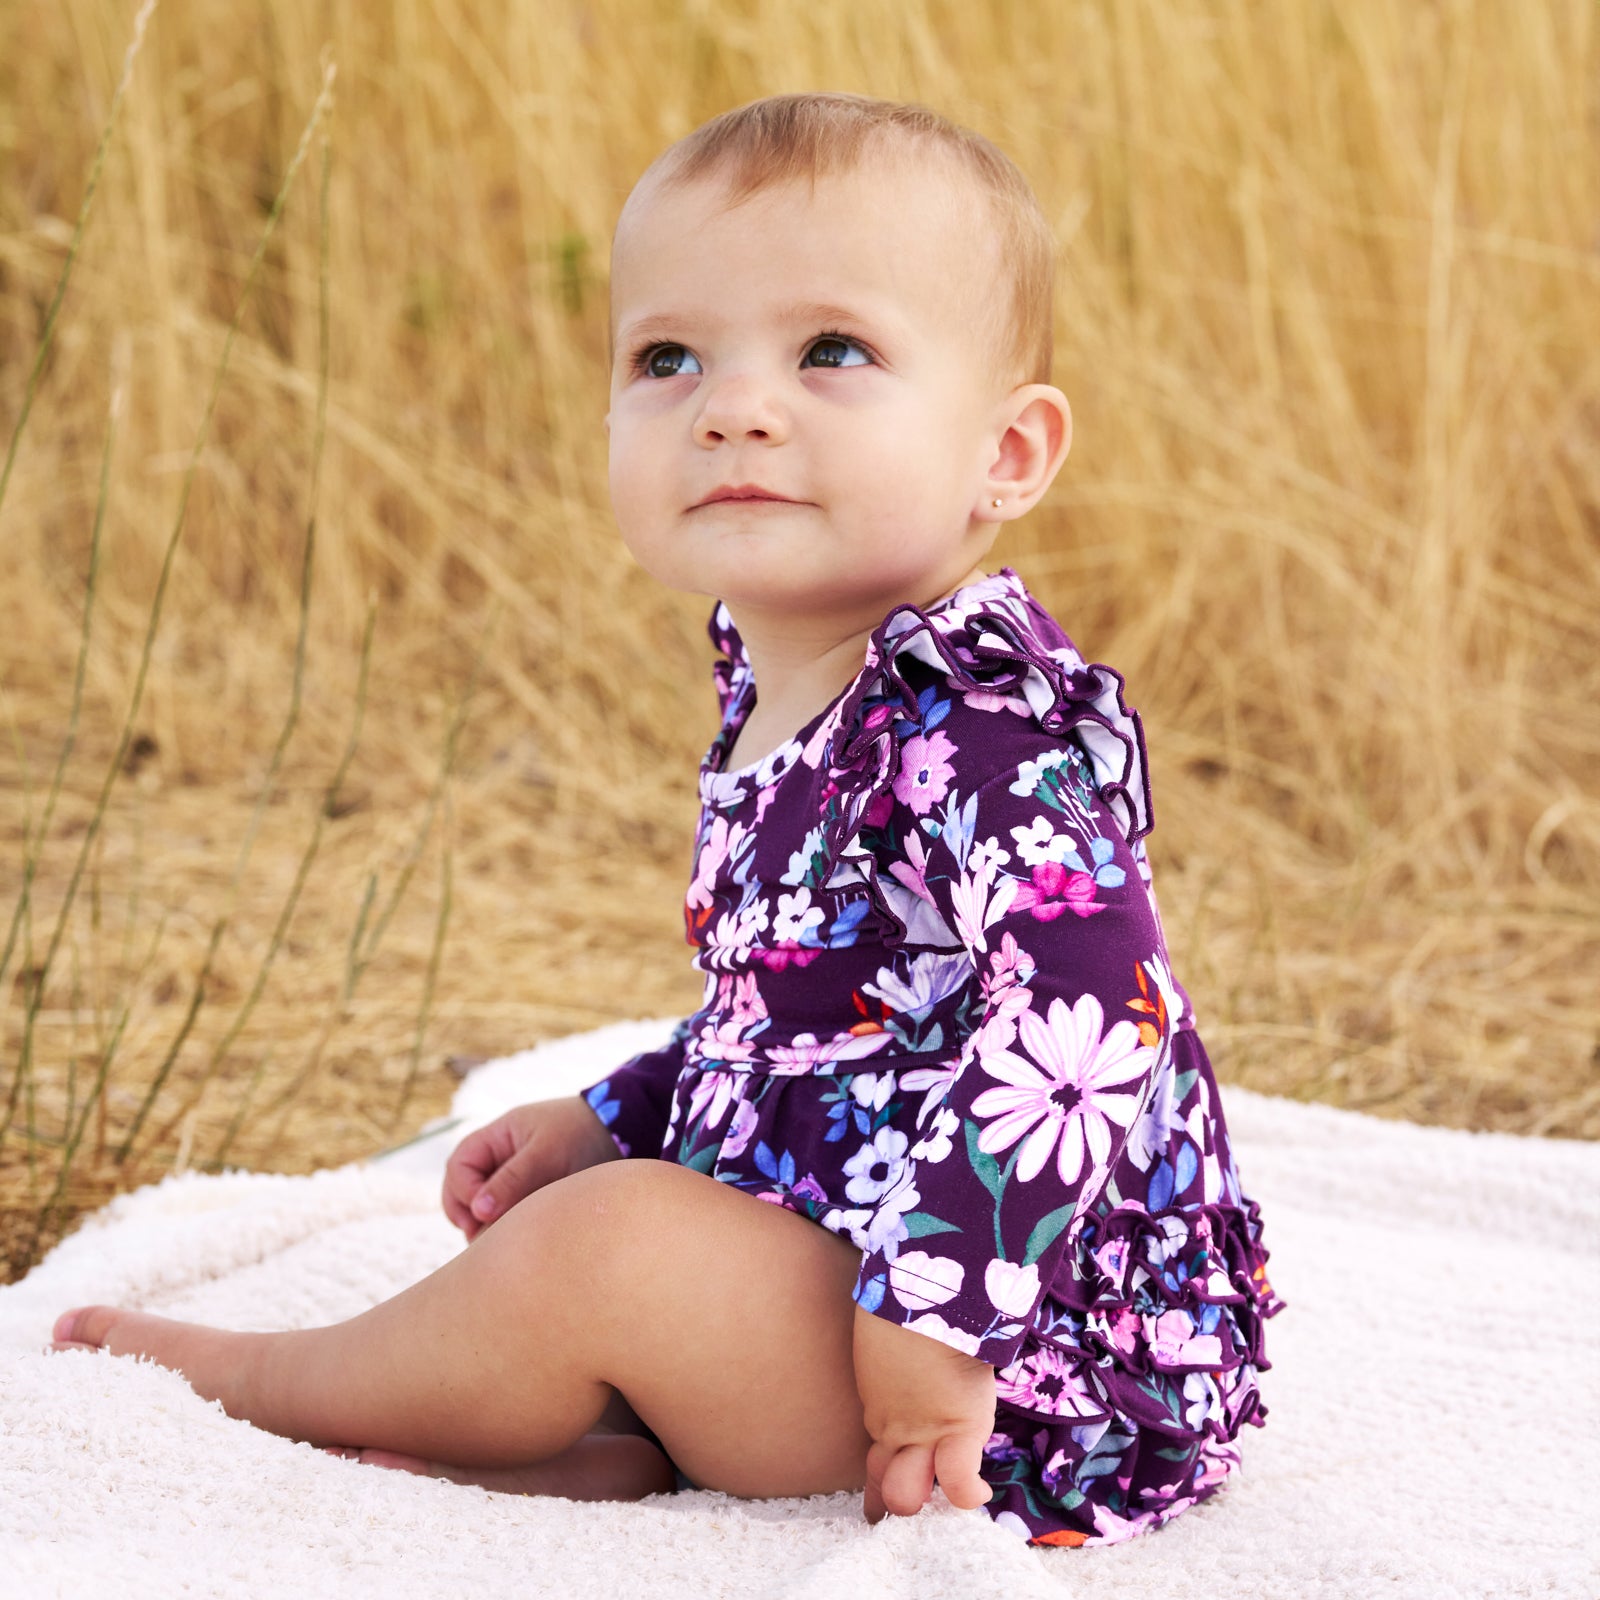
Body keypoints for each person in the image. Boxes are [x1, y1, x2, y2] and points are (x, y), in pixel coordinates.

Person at [50, 92, 1279, 1548]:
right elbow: (824, 1019)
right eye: (668, 357)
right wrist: (616, 1110)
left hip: (1020, 1370)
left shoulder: (983, 719)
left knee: (610, 1251)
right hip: (868, 1280)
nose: (732, 404)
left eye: (834, 352)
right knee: (616, 1205)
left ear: (1006, 456)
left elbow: (1095, 1009)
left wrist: (939, 1311)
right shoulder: (795, 688)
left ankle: (278, 1380)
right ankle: (608, 1450)